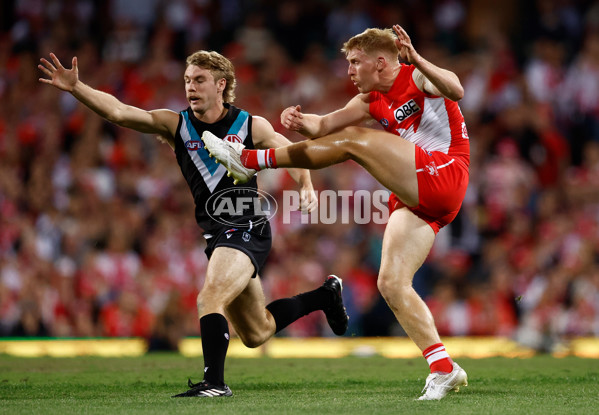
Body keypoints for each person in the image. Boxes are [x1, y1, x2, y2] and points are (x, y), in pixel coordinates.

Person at [38, 50, 349, 398]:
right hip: (217, 234)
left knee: (210, 297)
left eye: (199, 80)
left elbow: (289, 150)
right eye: (187, 80)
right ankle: (325, 295)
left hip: (246, 225)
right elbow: (120, 112)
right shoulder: (177, 124)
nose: (191, 87)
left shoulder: (249, 125)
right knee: (256, 332)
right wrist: (77, 87)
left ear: (221, 84)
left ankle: (214, 383)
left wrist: (304, 184)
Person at [201, 25, 469, 400]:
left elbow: (456, 89)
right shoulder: (369, 101)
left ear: (380, 62)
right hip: (416, 194)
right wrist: (300, 122)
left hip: (445, 173)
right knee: (391, 283)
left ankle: (249, 159)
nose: (349, 71)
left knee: (356, 142)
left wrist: (418, 57)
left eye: (355, 62)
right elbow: (324, 127)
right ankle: (443, 368)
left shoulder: (416, 75)